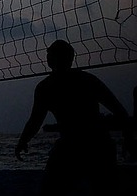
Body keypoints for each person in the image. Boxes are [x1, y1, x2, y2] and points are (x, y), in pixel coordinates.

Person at [15, 40, 131, 195]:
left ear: (52, 59)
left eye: (50, 54)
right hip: (95, 144)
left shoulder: (46, 87)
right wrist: (128, 137)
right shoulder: (86, 79)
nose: (48, 57)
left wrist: (23, 141)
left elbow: (35, 120)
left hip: (81, 145)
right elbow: (119, 110)